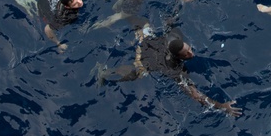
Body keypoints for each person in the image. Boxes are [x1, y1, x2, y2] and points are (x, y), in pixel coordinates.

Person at [99, 28, 242, 117]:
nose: (191, 53)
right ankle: (103, 73)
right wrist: (222, 107)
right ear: (178, 57)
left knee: (145, 26)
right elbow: (195, 95)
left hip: (147, 43)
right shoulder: (175, 68)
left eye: (190, 49)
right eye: (187, 54)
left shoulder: (173, 38)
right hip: (146, 61)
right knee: (139, 73)